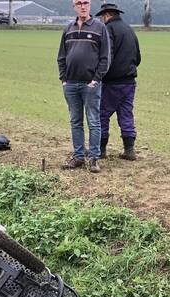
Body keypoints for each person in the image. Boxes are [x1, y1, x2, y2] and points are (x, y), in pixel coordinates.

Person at [57, 0, 110, 173]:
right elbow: (61, 57)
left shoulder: (99, 28)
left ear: (90, 5)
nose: (82, 6)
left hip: (90, 84)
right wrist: (64, 79)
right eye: (78, 3)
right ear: (74, 6)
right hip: (71, 84)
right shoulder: (68, 29)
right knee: (75, 121)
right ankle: (78, 156)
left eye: (85, 2)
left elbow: (105, 58)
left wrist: (96, 79)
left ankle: (94, 158)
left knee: (93, 121)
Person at [95, 2, 141, 161]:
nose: (102, 19)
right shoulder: (130, 29)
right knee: (126, 115)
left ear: (107, 15)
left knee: (103, 114)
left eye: (102, 16)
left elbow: (106, 56)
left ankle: (101, 150)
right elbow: (138, 58)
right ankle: (129, 150)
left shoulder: (107, 29)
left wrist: (99, 75)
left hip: (111, 83)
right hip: (129, 82)